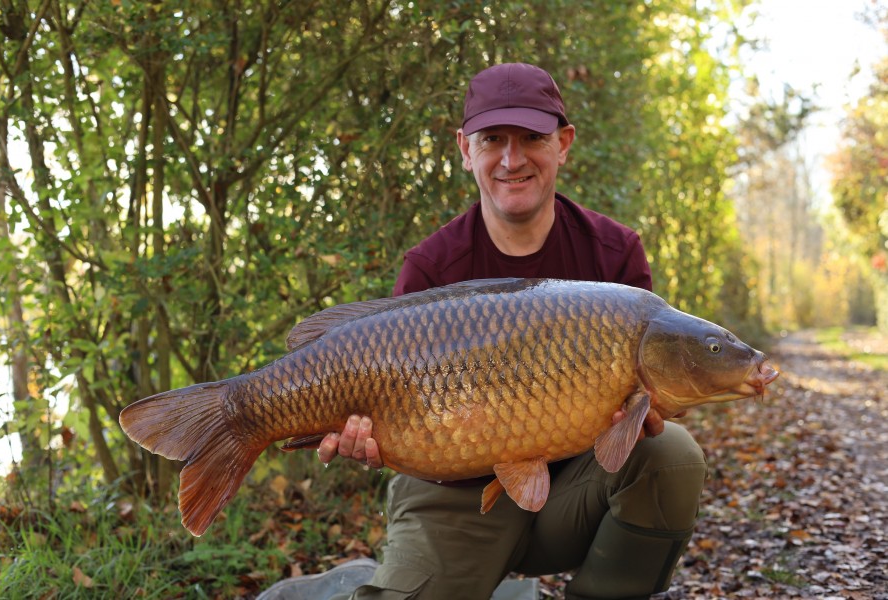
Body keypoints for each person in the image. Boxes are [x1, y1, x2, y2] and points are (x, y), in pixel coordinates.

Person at [275, 63, 707, 600]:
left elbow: (641, 421)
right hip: (448, 493)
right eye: (492, 140)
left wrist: (651, 410)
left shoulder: (614, 253)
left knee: (674, 455)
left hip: (573, 486)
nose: (512, 159)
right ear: (464, 148)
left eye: (532, 138)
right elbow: (386, 410)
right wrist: (363, 436)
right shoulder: (430, 266)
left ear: (564, 143)